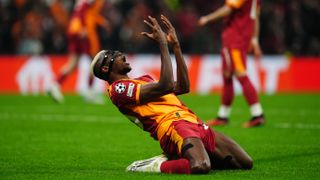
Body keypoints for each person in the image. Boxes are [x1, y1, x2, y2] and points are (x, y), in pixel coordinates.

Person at [90, 15, 252, 174]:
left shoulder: (144, 80)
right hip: (172, 126)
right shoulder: (118, 90)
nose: (119, 53)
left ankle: (179, 156)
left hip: (194, 122)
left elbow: (183, 86)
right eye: (112, 55)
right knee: (200, 166)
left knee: (245, 163)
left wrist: (176, 46)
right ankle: (154, 166)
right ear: (105, 69)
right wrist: (162, 44)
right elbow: (166, 84)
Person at [198, 0, 265, 127]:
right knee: (227, 75)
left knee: (240, 74)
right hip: (241, 39)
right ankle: (223, 116)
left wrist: (207, 18)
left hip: (234, 40)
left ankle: (257, 114)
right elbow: (255, 17)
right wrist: (255, 39)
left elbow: (228, 9)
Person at [48, 0, 110, 103]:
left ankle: (55, 84)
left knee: (73, 63)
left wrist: (101, 21)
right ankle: (90, 93)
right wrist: (84, 27)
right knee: (95, 61)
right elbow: (84, 9)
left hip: (74, 28)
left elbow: (86, 11)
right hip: (84, 30)